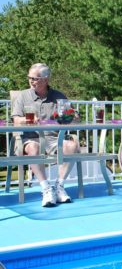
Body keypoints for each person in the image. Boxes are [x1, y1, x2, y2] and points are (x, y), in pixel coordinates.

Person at [11, 63, 80, 207]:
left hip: (54, 138)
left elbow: (71, 115)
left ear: (46, 80)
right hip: (32, 138)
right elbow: (16, 120)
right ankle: (46, 188)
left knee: (72, 145)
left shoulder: (58, 96)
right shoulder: (23, 96)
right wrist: (28, 119)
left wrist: (73, 116)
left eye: (35, 78)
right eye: (30, 78)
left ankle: (59, 186)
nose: (31, 81)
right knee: (33, 148)